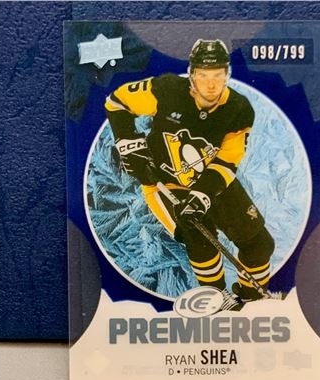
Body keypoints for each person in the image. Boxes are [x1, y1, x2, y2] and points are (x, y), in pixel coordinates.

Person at [104, 39, 274, 300]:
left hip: (213, 182)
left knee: (260, 244)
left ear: (227, 74)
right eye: (203, 75)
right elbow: (117, 102)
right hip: (166, 185)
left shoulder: (239, 109)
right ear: (192, 74)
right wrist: (129, 143)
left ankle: (253, 298)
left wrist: (202, 195)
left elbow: (227, 161)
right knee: (201, 243)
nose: (211, 84)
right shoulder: (167, 90)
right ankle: (216, 300)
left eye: (217, 75)